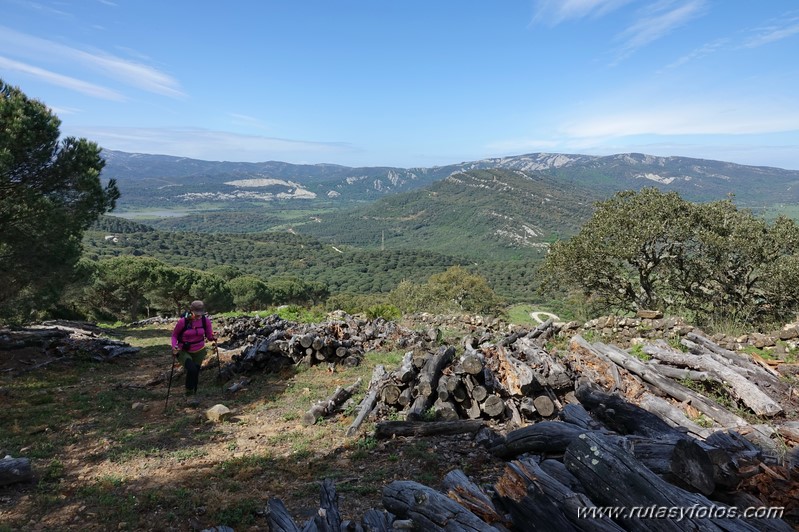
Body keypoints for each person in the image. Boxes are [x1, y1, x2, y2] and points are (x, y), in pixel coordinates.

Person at [171, 300, 216, 406]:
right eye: (197, 313)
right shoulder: (183, 321)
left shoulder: (206, 321)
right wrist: (174, 347)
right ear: (191, 311)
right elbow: (174, 335)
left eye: (201, 313)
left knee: (195, 372)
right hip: (183, 350)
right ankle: (189, 394)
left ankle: (193, 395)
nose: (199, 316)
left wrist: (214, 337)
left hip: (199, 350)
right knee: (191, 369)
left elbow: (209, 337)